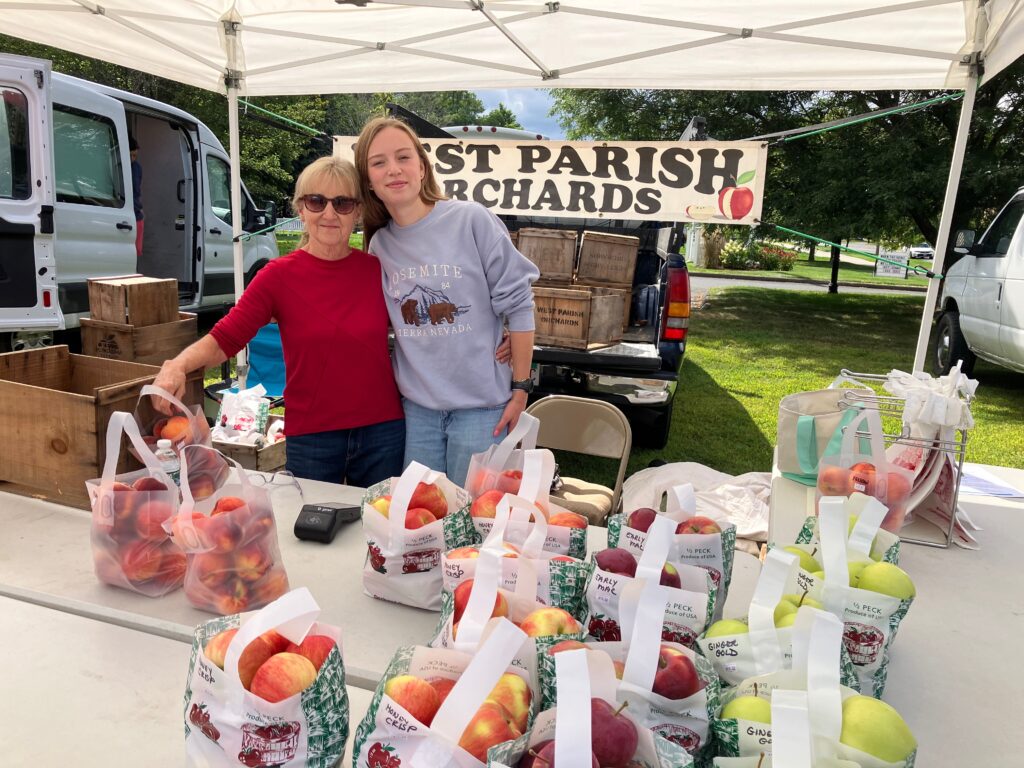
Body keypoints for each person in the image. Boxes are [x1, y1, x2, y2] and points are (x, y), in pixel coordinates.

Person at [152, 157, 405, 487]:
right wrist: (177, 365)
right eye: (317, 201)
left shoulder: (378, 270)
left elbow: (423, 327)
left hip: (382, 432)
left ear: (357, 212)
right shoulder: (277, 276)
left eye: (342, 203)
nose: (329, 214)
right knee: (312, 533)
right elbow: (227, 336)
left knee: (378, 533)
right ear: (301, 210)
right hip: (313, 436)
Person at [354, 117, 540, 487]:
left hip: (483, 410)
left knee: (473, 524)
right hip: (418, 412)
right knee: (422, 521)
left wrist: (521, 389)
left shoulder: (472, 220)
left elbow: (519, 304)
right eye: (379, 163)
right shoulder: (379, 246)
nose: (394, 169)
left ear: (422, 167)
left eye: (403, 157)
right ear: (369, 182)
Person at [129, 135, 144, 259]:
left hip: (137, 214)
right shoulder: (117, 166)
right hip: (126, 211)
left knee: (135, 253)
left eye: (135, 156)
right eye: (131, 155)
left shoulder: (137, 167)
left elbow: (137, 190)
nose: (133, 159)